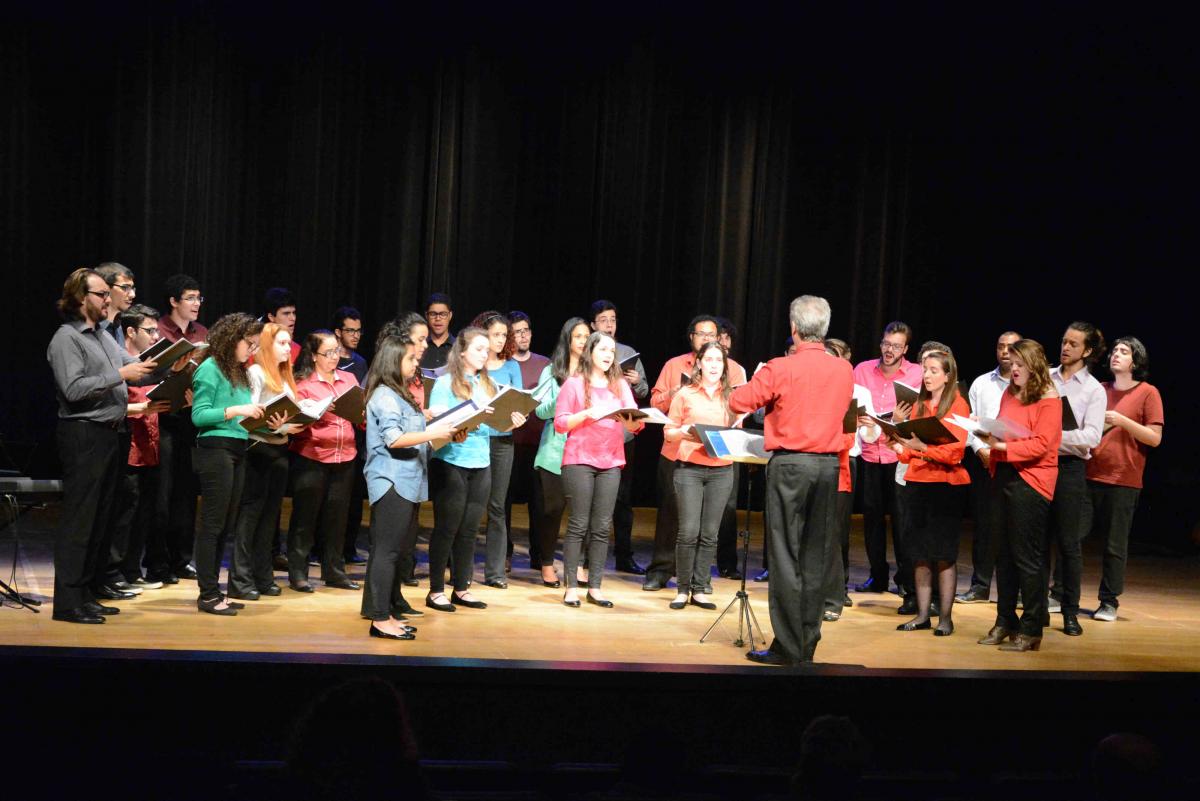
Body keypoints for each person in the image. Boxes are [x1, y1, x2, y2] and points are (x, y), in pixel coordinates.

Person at [729, 296, 853, 665]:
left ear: (794, 328)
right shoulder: (843, 369)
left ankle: (787, 645)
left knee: (784, 555)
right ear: (824, 329)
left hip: (791, 465)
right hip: (828, 467)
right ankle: (807, 642)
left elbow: (739, 402)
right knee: (816, 556)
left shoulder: (780, 367)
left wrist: (764, 388)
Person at [47, 269, 158, 623]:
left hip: (111, 433)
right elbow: (73, 389)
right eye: (102, 294)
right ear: (81, 298)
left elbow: (137, 367)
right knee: (81, 521)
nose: (108, 299)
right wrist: (119, 376)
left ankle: (87, 594)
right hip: (84, 434)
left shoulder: (102, 336)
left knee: (101, 520)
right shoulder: (67, 338)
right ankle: (68, 603)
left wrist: (175, 363)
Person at [361, 334, 462, 641]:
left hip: (407, 480)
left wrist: (446, 434)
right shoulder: (385, 396)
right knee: (387, 551)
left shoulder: (399, 394)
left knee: (395, 551)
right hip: (391, 480)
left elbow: (417, 438)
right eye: (410, 358)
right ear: (393, 361)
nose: (416, 363)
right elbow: (394, 439)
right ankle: (380, 619)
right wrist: (434, 432)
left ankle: (386, 613)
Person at [644, 315, 747, 592]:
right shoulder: (674, 365)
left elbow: (741, 410)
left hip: (718, 456)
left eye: (712, 335)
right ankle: (662, 570)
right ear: (692, 337)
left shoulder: (734, 370)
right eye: (702, 334)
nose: (707, 339)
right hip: (678, 452)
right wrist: (677, 391)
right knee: (672, 513)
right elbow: (655, 402)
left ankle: (700, 579)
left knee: (713, 519)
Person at [976, 339, 1061, 652]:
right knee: (1003, 554)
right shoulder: (1009, 392)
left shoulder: (1049, 398)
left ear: (1034, 366)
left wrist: (1001, 446)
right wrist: (987, 433)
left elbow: (1042, 444)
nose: (1013, 370)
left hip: (1031, 479)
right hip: (1004, 473)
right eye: (1011, 364)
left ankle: (1032, 627)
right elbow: (1003, 428)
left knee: (1027, 558)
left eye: (1020, 365)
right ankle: (1005, 621)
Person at [554, 332, 644, 608]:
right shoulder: (574, 383)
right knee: (579, 524)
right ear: (590, 352)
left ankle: (595, 586)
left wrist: (633, 423)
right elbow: (560, 423)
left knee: (602, 526)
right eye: (603, 349)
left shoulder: (619, 385)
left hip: (611, 460)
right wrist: (585, 414)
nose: (608, 355)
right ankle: (571, 587)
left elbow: (635, 422)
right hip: (580, 458)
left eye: (611, 351)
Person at [888, 349, 970, 636]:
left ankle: (945, 618)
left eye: (934, 370)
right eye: (925, 370)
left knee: (944, 554)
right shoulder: (920, 405)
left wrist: (923, 448)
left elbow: (956, 452)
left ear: (948, 376)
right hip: (918, 482)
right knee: (920, 554)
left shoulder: (958, 404)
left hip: (946, 486)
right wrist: (897, 443)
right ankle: (922, 615)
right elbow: (908, 453)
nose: (927, 375)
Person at [190, 312, 265, 615]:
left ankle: (214, 591)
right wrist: (237, 410)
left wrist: (264, 419)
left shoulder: (239, 371)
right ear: (233, 339)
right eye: (250, 343)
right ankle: (207, 594)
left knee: (226, 525)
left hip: (237, 446)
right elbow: (199, 416)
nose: (252, 350)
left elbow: (241, 416)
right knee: (213, 524)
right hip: (215, 448)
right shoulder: (210, 368)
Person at [1084, 337, 1163, 622]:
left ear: (1136, 360)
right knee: (1071, 537)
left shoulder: (1147, 392)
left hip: (1123, 478)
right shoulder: (1100, 389)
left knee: (1114, 545)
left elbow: (1154, 438)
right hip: (1089, 473)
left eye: (1124, 351)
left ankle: (1108, 601)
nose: (1116, 354)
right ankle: (1060, 593)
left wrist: (1122, 421)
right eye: (1115, 350)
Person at [424, 327, 501, 612]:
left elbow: (496, 424)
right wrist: (462, 421)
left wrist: (511, 419)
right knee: (447, 528)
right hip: (451, 460)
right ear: (463, 351)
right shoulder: (445, 383)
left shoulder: (488, 384)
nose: (484, 354)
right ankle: (435, 590)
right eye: (479, 349)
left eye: (487, 350)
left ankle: (461, 587)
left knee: (469, 530)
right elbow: (438, 423)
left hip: (481, 461)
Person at [662, 341, 737, 611]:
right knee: (688, 531)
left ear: (724, 366)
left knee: (710, 533)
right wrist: (684, 431)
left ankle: (701, 588)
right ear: (699, 363)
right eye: (709, 360)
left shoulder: (732, 397)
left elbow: (736, 429)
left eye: (719, 360)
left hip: (721, 469)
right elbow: (668, 432)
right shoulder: (685, 394)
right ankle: (683, 589)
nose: (714, 365)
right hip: (689, 469)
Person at [286, 330, 361, 592]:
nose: (334, 357)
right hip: (313, 456)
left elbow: (359, 417)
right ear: (314, 356)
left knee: (337, 518)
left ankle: (334, 571)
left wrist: (362, 412)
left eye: (336, 351)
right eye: (328, 353)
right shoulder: (303, 384)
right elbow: (295, 424)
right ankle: (298, 572)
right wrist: (315, 411)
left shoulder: (349, 379)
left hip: (345, 456)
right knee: (305, 517)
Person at [852, 321, 923, 597]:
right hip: (870, 453)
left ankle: (905, 579)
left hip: (899, 454)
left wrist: (898, 420)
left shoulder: (916, 373)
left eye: (896, 346)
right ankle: (877, 576)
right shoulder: (862, 370)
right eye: (886, 344)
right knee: (872, 519)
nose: (889, 350)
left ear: (905, 349)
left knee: (902, 520)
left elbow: (922, 412)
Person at [1045, 322, 1106, 636]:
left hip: (1069, 469)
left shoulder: (1093, 389)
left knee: (1069, 544)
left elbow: (1091, 437)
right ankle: (1035, 610)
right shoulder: (1046, 377)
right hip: (1040, 465)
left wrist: (1051, 437)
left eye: (1073, 344)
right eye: (1064, 341)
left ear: (1088, 350)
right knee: (1038, 542)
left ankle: (1070, 612)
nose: (1065, 348)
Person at [228, 323, 297, 600]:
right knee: (250, 517)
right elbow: (247, 417)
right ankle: (240, 580)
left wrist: (292, 423)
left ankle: (263, 575)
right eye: (282, 343)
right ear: (267, 345)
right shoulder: (256, 372)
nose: (288, 348)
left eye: (289, 342)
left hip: (279, 450)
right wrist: (277, 425)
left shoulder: (284, 375)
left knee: (270, 519)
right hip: (258, 449)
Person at [106, 304, 172, 593]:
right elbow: (112, 407)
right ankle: (113, 572)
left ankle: (132, 570)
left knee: (145, 513)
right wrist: (142, 408)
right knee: (125, 515)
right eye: (150, 330)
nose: (155, 336)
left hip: (150, 448)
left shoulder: (151, 366)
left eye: (157, 330)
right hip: (128, 449)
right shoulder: (121, 366)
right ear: (131, 332)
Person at [150, 273, 207, 585]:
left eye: (199, 298)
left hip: (190, 419)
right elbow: (148, 375)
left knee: (186, 493)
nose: (196, 303)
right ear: (173, 301)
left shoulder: (202, 333)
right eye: (190, 298)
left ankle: (182, 559)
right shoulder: (158, 330)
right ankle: (157, 563)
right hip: (162, 418)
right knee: (162, 495)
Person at [956, 331, 1021, 604]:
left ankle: (1016, 590)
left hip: (1016, 462)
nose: (1005, 351)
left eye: (1011, 347)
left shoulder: (1028, 384)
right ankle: (980, 585)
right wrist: (979, 449)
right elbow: (969, 420)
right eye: (1000, 346)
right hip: (985, 460)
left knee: (1015, 527)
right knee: (984, 526)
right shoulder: (982, 383)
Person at [591, 300, 650, 575]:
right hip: (593, 436)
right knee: (592, 500)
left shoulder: (627, 353)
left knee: (623, 499)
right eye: (603, 320)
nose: (609, 325)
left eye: (613, 320)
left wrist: (636, 381)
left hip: (623, 436)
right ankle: (589, 558)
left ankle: (624, 555)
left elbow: (644, 391)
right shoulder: (588, 352)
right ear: (593, 325)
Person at [531, 318, 590, 588]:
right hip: (555, 450)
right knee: (552, 510)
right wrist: (565, 394)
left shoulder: (594, 372)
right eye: (578, 336)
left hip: (586, 449)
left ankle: (577, 565)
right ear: (568, 339)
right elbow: (540, 410)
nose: (583, 341)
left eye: (586, 336)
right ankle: (546, 564)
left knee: (582, 512)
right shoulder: (552, 370)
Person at [470, 311, 527, 589]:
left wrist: (519, 417)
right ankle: (461, 568)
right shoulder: (474, 364)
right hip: (475, 439)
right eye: (495, 334)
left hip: (503, 441)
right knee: (472, 505)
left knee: (497, 507)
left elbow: (519, 403)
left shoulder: (511, 366)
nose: (501, 339)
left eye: (504, 335)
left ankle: (494, 573)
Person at [503, 311, 552, 569]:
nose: (522, 336)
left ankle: (539, 555)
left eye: (526, 331)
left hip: (538, 442)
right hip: (509, 441)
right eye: (516, 332)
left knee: (539, 502)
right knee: (504, 501)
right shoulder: (503, 364)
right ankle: (505, 553)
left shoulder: (545, 364)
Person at [822, 338, 864, 621]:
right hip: (812, 474)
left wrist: (816, 439)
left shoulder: (846, 396)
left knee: (832, 539)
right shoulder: (811, 392)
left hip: (837, 473)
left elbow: (848, 439)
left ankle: (833, 598)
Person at [332, 306, 369, 564]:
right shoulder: (328, 359)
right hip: (330, 432)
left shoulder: (361, 363)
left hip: (355, 435)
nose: (355, 335)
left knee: (354, 496)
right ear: (338, 332)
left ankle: (348, 548)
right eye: (350, 330)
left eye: (358, 331)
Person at [262, 287, 301, 363]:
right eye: (286, 313)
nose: (293, 318)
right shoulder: (255, 348)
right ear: (271, 317)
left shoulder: (297, 350)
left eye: (294, 313)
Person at [419, 292, 454, 370]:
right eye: (433, 314)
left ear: (450, 315)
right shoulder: (419, 346)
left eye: (443, 314)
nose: (438, 318)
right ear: (426, 316)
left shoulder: (458, 347)